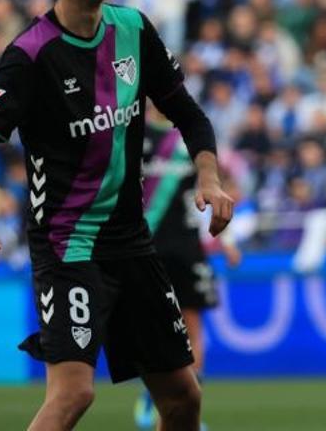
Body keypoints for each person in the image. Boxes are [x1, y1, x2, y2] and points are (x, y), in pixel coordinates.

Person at [0, 0, 234, 431]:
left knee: (183, 399)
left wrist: (209, 177)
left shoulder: (133, 29)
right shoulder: (30, 55)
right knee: (73, 395)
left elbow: (191, 116)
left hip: (132, 241)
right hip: (68, 244)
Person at [133, 115, 242, 429]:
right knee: (153, 330)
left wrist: (228, 241)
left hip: (187, 248)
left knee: (192, 329)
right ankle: (151, 395)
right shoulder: (134, 133)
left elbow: (216, 190)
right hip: (146, 248)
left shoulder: (191, 138)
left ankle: (190, 411)